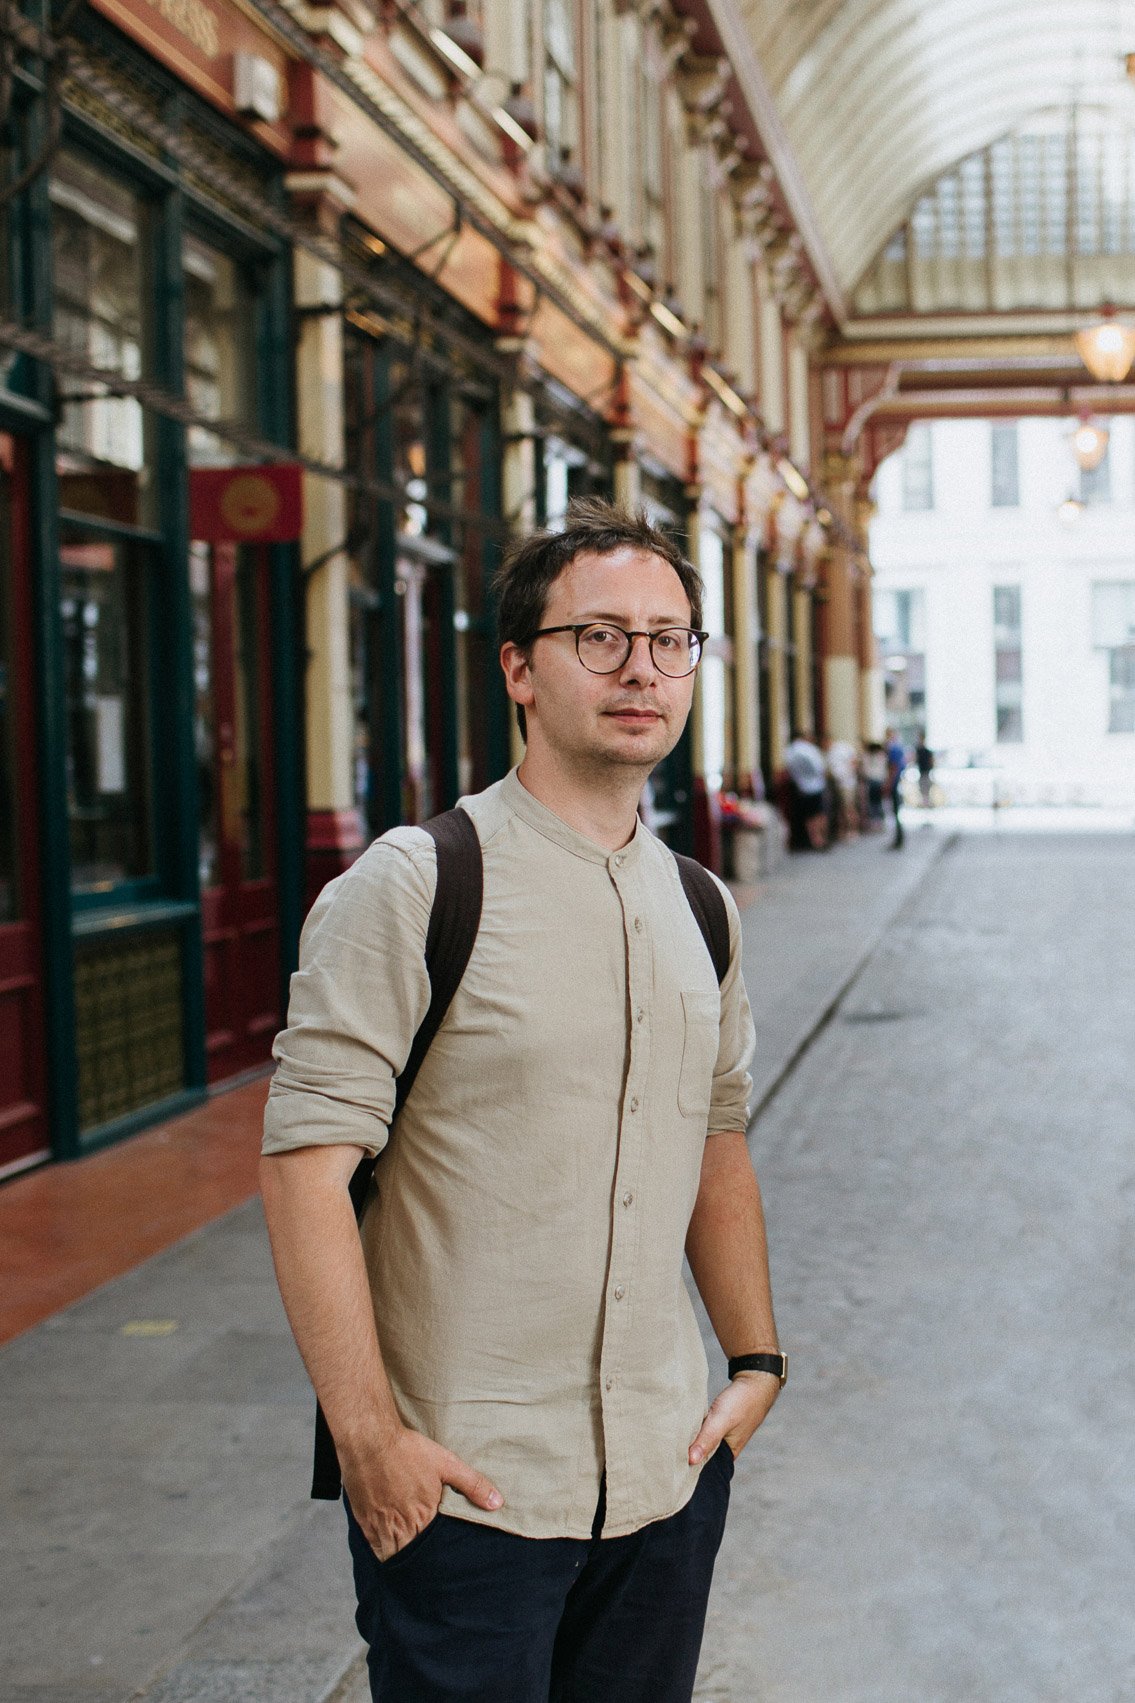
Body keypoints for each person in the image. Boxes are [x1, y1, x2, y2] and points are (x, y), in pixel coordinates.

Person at [260, 499, 783, 1703]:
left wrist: (755, 1360)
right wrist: (371, 1442)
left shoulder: (701, 906)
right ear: (518, 667)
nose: (640, 667)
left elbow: (715, 1136)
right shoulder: (417, 882)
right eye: (598, 636)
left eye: (670, 639)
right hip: (468, 1496)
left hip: (662, 1478)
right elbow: (302, 1171)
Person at [783, 728, 828, 849]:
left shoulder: (790, 751)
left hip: (802, 787)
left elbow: (790, 770)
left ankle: (814, 840)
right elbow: (820, 768)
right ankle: (822, 838)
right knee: (819, 813)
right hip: (816, 785)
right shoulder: (810, 749)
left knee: (809, 816)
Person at [885, 726, 907, 849]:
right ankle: (898, 838)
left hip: (894, 784)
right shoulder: (898, 748)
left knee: (895, 813)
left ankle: (898, 839)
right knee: (896, 813)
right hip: (897, 783)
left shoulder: (893, 748)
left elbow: (893, 767)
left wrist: (889, 783)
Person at [860, 741, 887, 830]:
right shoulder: (868, 757)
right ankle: (874, 822)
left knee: (878, 802)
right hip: (871, 781)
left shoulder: (880, 757)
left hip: (878, 781)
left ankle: (879, 822)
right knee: (873, 803)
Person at [915, 731, 934, 808]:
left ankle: (926, 803)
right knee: (923, 790)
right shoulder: (919, 751)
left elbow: (931, 762)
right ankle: (925, 803)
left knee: (925, 790)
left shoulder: (926, 751)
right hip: (922, 772)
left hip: (926, 773)